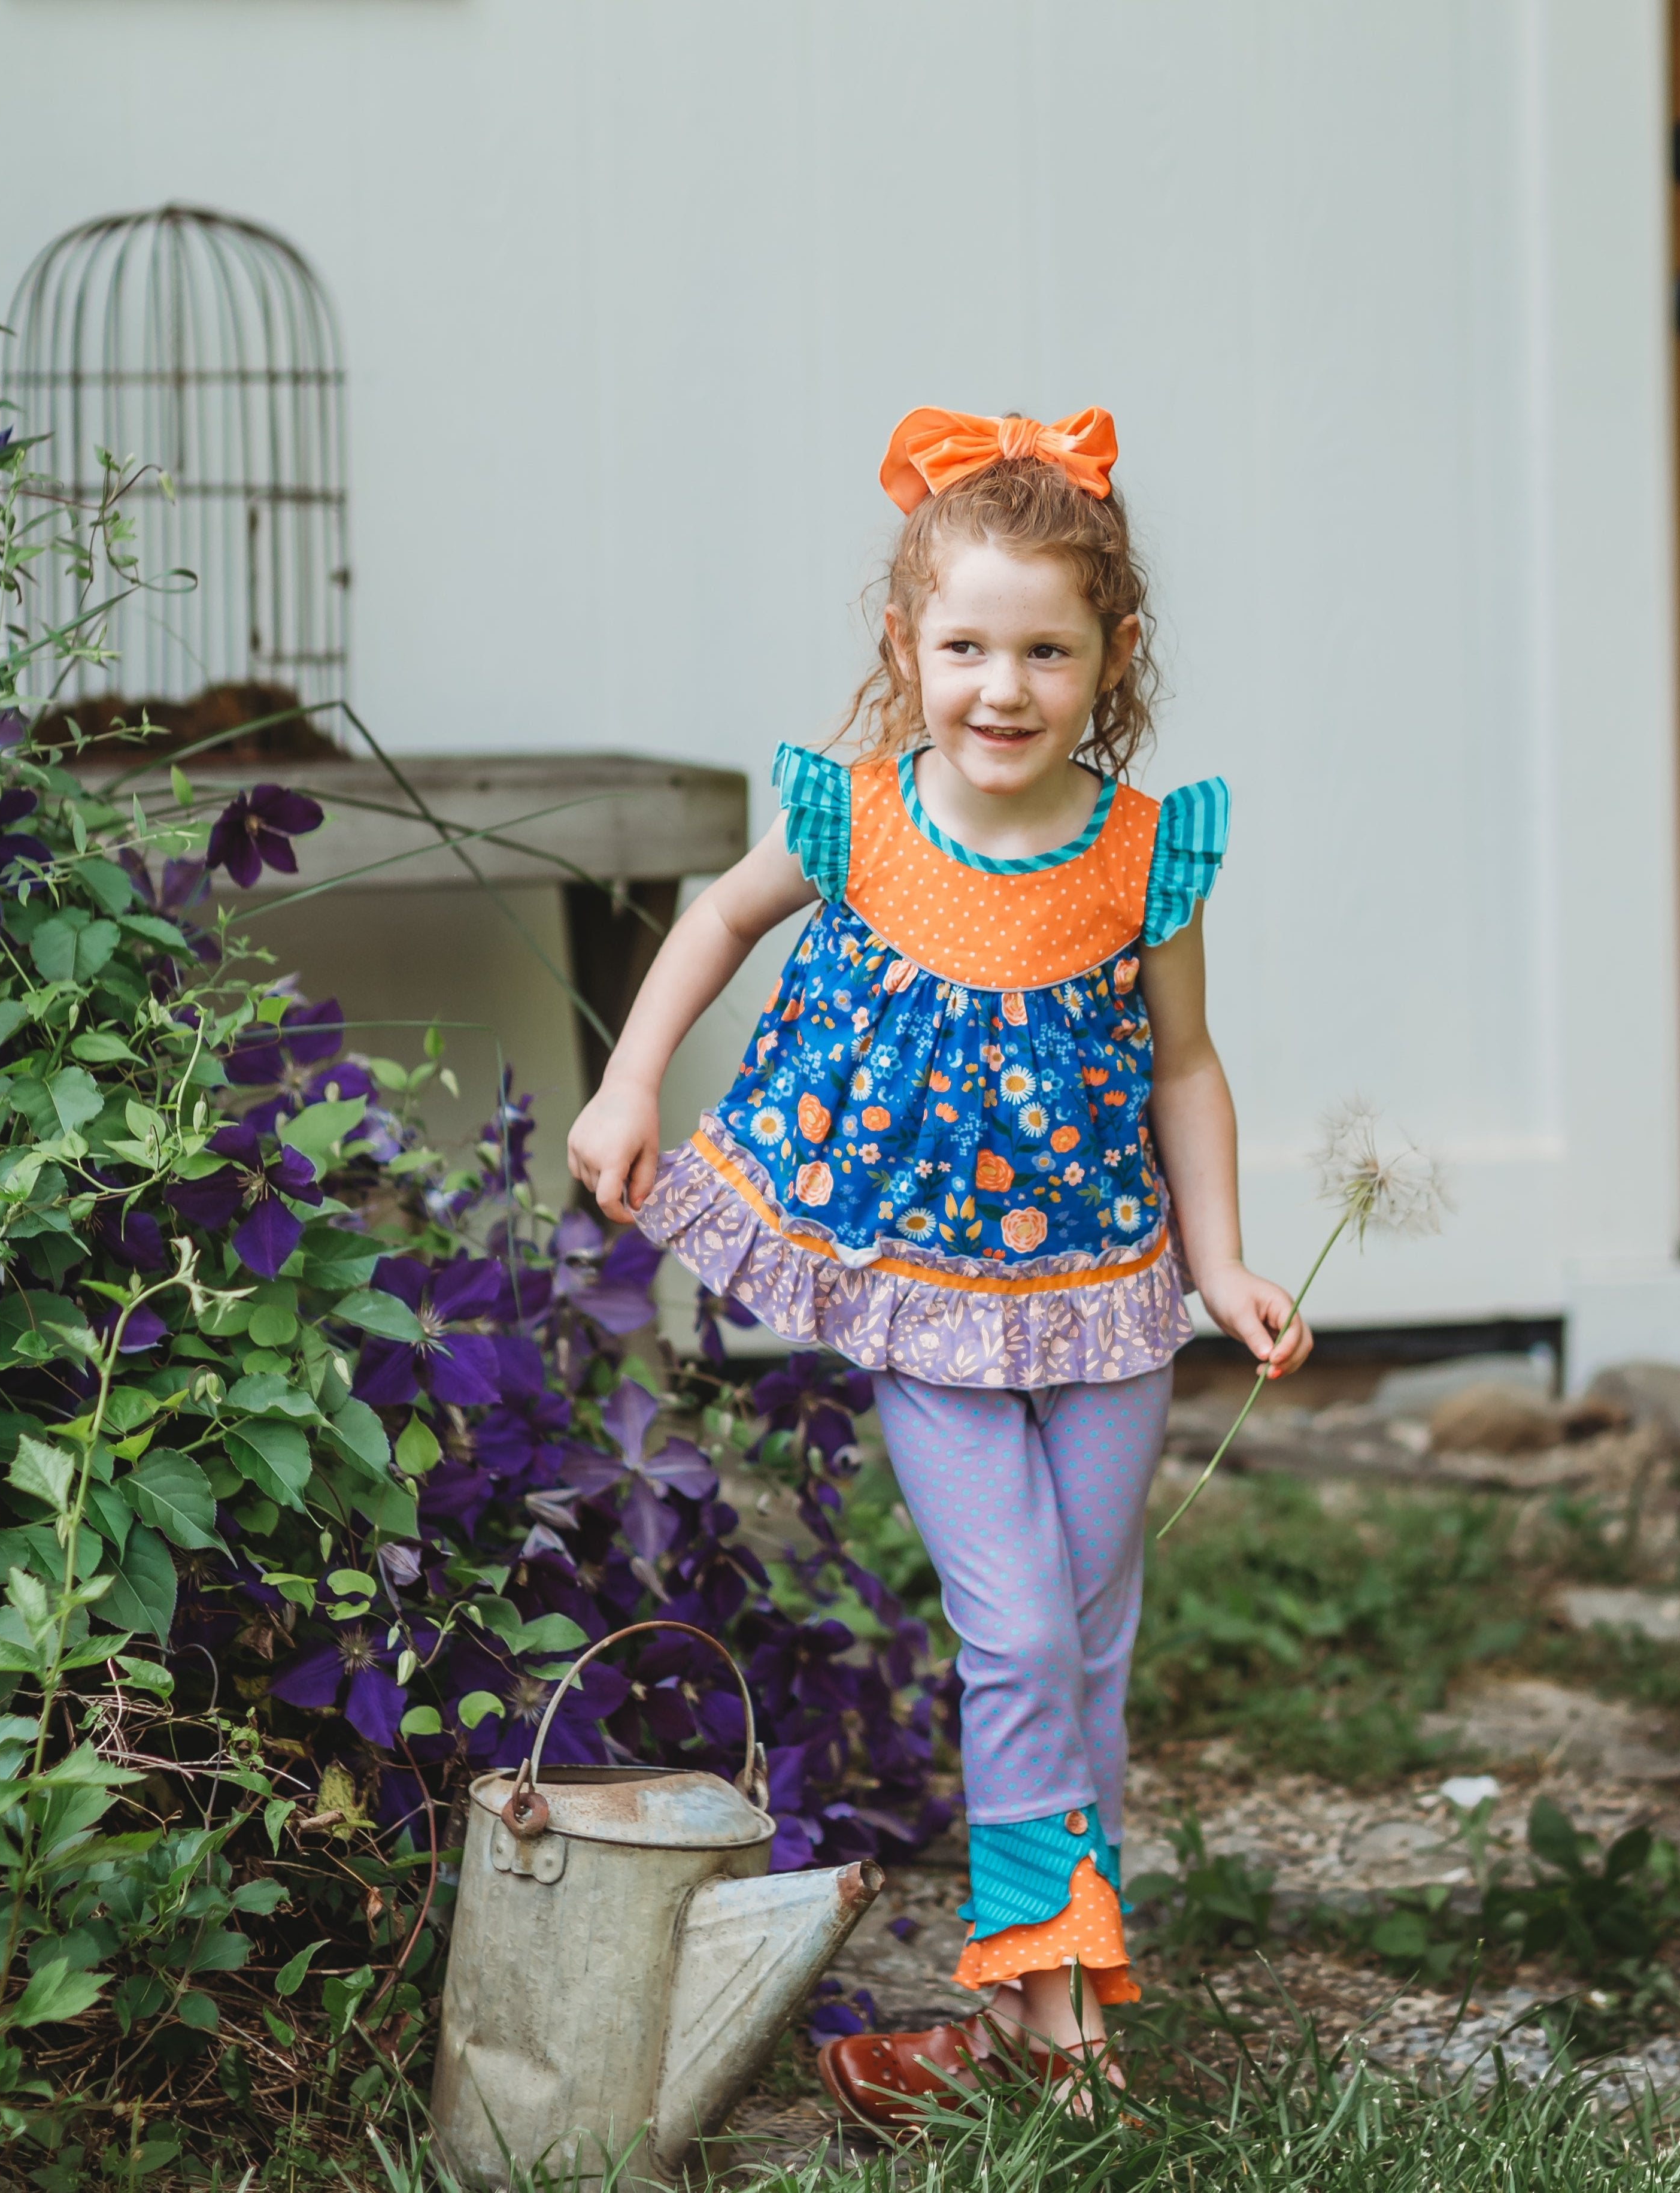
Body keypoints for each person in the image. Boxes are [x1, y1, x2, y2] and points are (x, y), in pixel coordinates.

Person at [565, 405, 1311, 2126]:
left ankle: (1050, 1996)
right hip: (930, 1305)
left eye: (1046, 649)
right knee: (1018, 1637)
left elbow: (1186, 1066)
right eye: (965, 645)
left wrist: (1228, 1261)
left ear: (1109, 658)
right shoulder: (864, 819)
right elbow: (717, 922)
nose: (1002, 687)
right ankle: (1049, 2018)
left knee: (1092, 1641)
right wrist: (626, 1082)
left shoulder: (1140, 855)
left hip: (1115, 1296)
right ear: (906, 647)